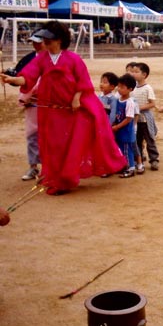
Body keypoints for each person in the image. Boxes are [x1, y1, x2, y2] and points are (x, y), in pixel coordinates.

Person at [0, 20, 126, 195]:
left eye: (49, 39)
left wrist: (76, 98)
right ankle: (54, 179)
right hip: (50, 112)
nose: (45, 42)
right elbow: (28, 76)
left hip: (71, 111)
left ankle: (65, 180)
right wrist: (14, 80)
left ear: (59, 40)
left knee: (70, 145)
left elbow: (83, 82)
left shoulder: (73, 59)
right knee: (52, 146)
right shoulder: (42, 58)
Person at [6, 31, 46, 181]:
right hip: (31, 103)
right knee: (32, 135)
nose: (35, 45)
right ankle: (33, 167)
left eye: (39, 41)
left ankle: (49, 168)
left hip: (49, 104)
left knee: (49, 136)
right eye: (33, 42)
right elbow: (19, 77)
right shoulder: (29, 58)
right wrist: (11, 79)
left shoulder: (53, 59)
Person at [131, 62, 159, 171]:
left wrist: (139, 108)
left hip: (145, 118)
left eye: (136, 72)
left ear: (144, 74)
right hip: (135, 119)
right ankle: (139, 159)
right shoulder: (132, 88)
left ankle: (154, 159)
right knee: (137, 140)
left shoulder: (147, 88)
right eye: (132, 72)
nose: (133, 74)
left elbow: (152, 103)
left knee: (150, 139)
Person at [112, 74, 137, 178]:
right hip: (120, 131)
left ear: (130, 89)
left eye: (122, 87)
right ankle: (124, 167)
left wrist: (117, 127)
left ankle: (131, 168)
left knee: (127, 151)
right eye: (119, 86)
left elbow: (128, 118)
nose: (119, 89)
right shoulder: (118, 100)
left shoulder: (130, 102)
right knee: (121, 149)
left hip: (126, 131)